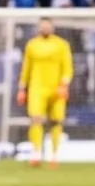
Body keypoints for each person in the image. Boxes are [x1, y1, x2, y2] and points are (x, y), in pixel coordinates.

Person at [18, 18, 74, 168]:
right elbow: (26, 67)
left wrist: (64, 84)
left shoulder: (61, 44)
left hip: (56, 88)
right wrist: (22, 88)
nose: (45, 28)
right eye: (43, 26)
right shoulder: (32, 45)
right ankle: (36, 153)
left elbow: (67, 67)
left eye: (48, 26)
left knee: (57, 121)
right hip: (37, 87)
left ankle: (54, 155)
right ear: (39, 28)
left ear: (52, 28)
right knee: (36, 119)